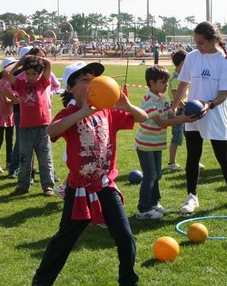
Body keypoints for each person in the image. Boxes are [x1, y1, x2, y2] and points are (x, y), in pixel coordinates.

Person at [31, 60, 147, 286]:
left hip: (106, 186)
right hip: (79, 189)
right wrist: (82, 112)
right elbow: (51, 130)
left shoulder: (109, 111)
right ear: (71, 88)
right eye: (85, 79)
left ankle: (128, 281)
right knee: (65, 239)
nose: (92, 83)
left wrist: (127, 106)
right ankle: (41, 281)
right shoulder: (70, 113)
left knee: (125, 238)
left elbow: (143, 117)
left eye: (93, 78)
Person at [177, 21, 227, 214]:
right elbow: (183, 84)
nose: (197, 46)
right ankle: (191, 196)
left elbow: (223, 94)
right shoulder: (192, 58)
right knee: (193, 156)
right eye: (195, 42)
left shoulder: (224, 63)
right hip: (193, 115)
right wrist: (175, 106)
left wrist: (209, 104)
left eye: (201, 42)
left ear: (213, 40)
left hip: (215, 113)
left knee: (223, 156)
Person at [134, 65, 194, 220]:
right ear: (152, 83)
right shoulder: (148, 100)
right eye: (163, 82)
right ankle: (143, 209)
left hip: (157, 143)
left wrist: (186, 112)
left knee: (157, 175)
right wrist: (182, 119)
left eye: (167, 81)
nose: (166, 85)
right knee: (150, 175)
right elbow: (161, 122)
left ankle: (154, 203)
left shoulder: (163, 99)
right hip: (145, 144)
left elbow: (170, 117)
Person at [2, 54, 56, 197]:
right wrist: (20, 62)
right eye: (28, 73)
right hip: (25, 128)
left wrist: (37, 58)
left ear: (39, 74)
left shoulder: (42, 83)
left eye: (34, 74)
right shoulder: (20, 85)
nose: (30, 76)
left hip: (42, 127)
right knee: (24, 159)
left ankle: (48, 186)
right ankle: (23, 186)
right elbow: (6, 74)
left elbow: (48, 63)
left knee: (45, 158)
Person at [0, 58, 17, 173]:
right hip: (2, 113)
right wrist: (18, 101)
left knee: (10, 139)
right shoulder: (3, 82)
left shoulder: (11, 81)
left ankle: (9, 161)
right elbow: (5, 100)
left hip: (10, 113)